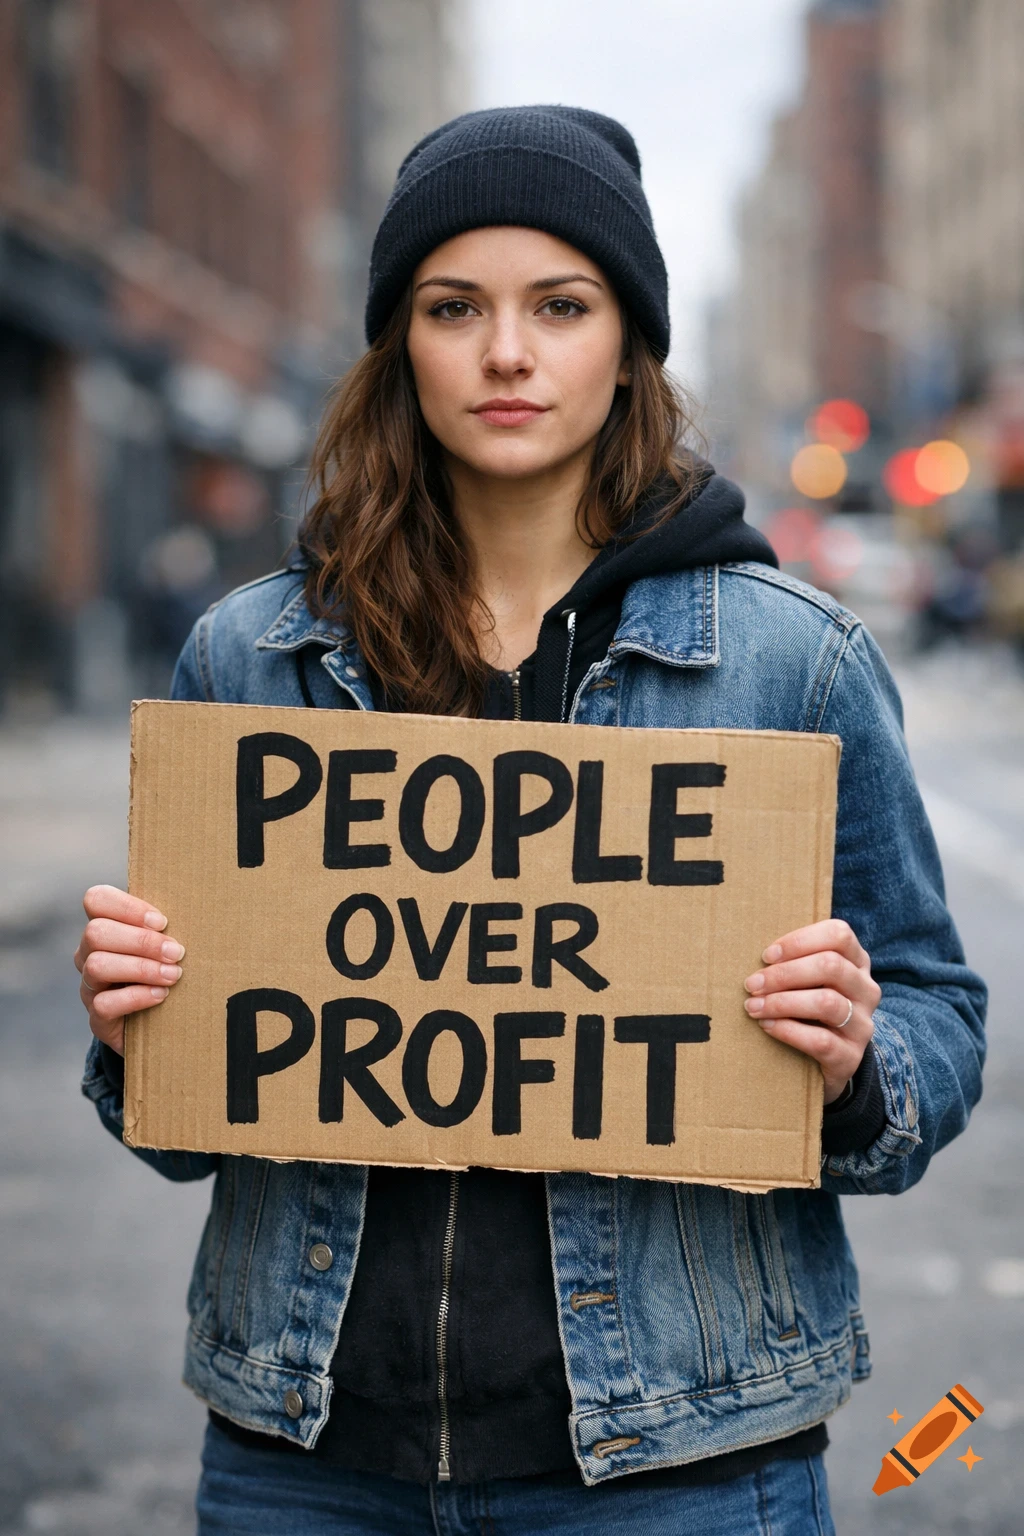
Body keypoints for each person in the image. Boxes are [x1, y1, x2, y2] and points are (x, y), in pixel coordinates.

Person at [75, 107, 986, 1536]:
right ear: (402, 346)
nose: (507, 354)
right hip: (307, 1461)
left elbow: (938, 1015)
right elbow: (189, 1122)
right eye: (455, 309)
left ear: (625, 343)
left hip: (677, 1467)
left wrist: (863, 1060)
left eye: (559, 307)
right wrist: (140, 1030)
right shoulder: (250, 662)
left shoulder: (788, 662)